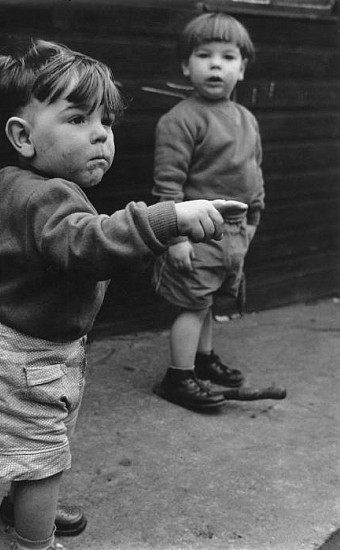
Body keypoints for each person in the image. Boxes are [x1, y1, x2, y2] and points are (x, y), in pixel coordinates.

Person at [0, 38, 246, 550]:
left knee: (38, 444)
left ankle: (23, 507)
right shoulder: (43, 196)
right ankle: (36, 540)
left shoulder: (25, 184)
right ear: (23, 136)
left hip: (18, 339)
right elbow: (89, 242)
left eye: (105, 122)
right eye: (77, 119)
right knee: (43, 453)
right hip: (18, 353)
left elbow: (90, 241)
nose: (100, 136)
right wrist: (168, 218)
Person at [152, 12, 265, 412]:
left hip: (233, 234)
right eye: (204, 55)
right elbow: (168, 186)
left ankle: (202, 361)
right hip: (197, 233)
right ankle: (178, 377)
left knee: (211, 300)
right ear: (187, 65)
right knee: (192, 303)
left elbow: (254, 172)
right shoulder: (180, 120)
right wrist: (177, 238)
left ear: (242, 67)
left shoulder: (246, 119)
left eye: (228, 56)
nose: (216, 64)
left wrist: (252, 221)